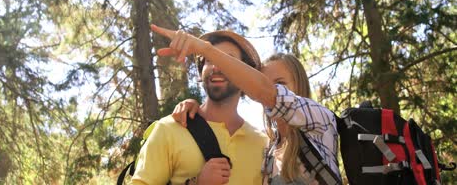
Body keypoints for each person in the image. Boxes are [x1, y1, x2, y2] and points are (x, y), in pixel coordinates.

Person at [165, 29, 340, 184]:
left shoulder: (320, 121)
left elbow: (267, 93)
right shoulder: (267, 147)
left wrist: (205, 49)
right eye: (266, 83)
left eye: (280, 84)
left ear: (299, 84)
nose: (270, 91)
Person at [130, 24, 268, 185]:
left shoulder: (262, 143)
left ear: (244, 73)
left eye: (228, 59)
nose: (216, 66)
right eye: (209, 60)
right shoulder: (169, 129)